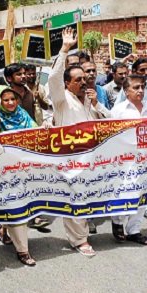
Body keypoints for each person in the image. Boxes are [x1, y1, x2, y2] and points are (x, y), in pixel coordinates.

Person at [47, 27, 110, 257]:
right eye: (78, 80)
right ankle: (79, 240)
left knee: (85, 196)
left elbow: (108, 122)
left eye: (85, 79)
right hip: (70, 159)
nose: (84, 82)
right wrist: (64, 49)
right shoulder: (62, 101)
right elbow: (54, 78)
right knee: (74, 197)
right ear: (67, 84)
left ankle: (82, 234)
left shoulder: (89, 101)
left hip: (90, 158)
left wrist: (96, 106)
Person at [0, 85, 39, 265]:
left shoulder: (22, 114)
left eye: (12, 99)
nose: (10, 103)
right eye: (5, 99)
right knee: (15, 205)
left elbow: (34, 130)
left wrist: (45, 126)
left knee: (21, 204)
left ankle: (5, 230)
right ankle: (23, 250)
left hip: (22, 167)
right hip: (2, 169)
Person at [109, 74, 147, 245]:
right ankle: (117, 222)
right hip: (125, 160)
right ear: (126, 91)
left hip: (144, 160)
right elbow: (111, 135)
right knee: (124, 191)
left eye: (142, 87)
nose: (140, 90)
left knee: (142, 194)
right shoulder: (119, 110)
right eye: (136, 87)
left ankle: (134, 230)